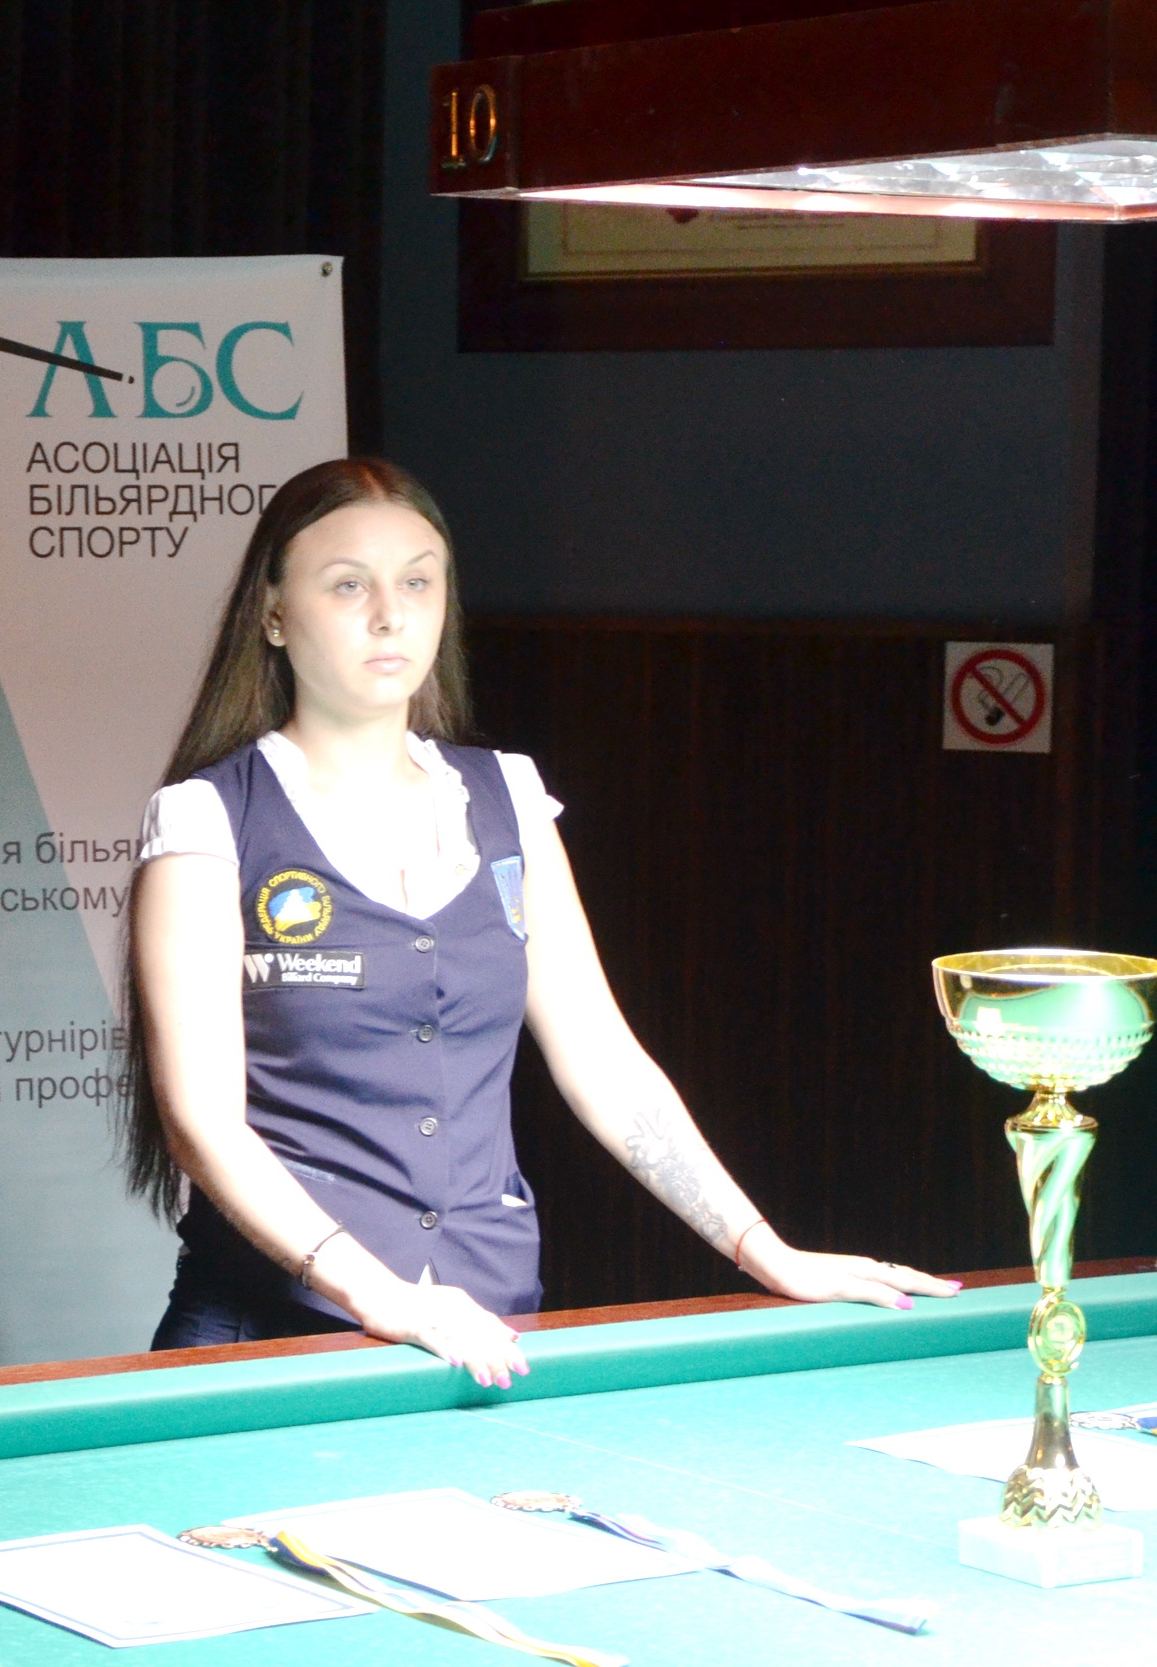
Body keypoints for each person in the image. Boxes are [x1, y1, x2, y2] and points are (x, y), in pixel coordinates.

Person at [125, 457, 954, 1386]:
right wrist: (379, 1295)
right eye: (348, 584)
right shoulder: (208, 819)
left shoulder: (508, 798)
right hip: (270, 1337)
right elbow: (202, 1123)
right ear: (274, 614)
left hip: (490, 1328)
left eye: (418, 582)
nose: (390, 614)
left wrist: (767, 1252)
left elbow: (603, 1060)